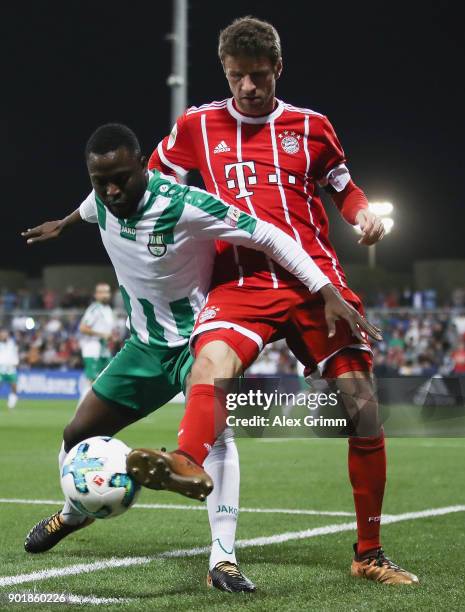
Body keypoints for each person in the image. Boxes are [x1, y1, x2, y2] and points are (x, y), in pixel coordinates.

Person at [21, 123, 377, 592]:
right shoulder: (102, 200)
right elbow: (88, 207)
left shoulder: (185, 204)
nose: (111, 189)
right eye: (100, 180)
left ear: (143, 167)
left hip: (199, 339)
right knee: (76, 433)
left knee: (218, 435)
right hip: (145, 347)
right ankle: (74, 513)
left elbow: (270, 236)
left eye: (122, 178)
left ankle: (222, 559)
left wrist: (325, 289)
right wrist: (62, 224)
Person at [138, 16, 418, 585]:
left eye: (258, 76)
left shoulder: (311, 127)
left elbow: (345, 188)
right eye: (237, 76)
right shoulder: (196, 125)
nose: (247, 87)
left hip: (315, 283)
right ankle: (186, 460)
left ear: (277, 69)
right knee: (212, 363)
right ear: (225, 71)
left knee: (362, 407)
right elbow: (153, 181)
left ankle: (368, 553)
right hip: (239, 282)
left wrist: (363, 215)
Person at [79, 283, 115, 395]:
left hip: (104, 349)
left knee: (109, 378)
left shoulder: (108, 309)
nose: (105, 295)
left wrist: (111, 337)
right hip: (93, 348)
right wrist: (102, 334)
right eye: (102, 292)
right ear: (96, 295)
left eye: (107, 292)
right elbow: (83, 328)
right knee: (93, 382)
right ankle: (86, 408)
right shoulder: (94, 309)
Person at [0, 328, 19, 410]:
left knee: (14, 386)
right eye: (2, 333)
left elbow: (14, 353)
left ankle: (11, 403)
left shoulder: (11, 343)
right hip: (1, 368)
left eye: (5, 333)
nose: (4, 335)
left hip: (10, 368)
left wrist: (16, 362)